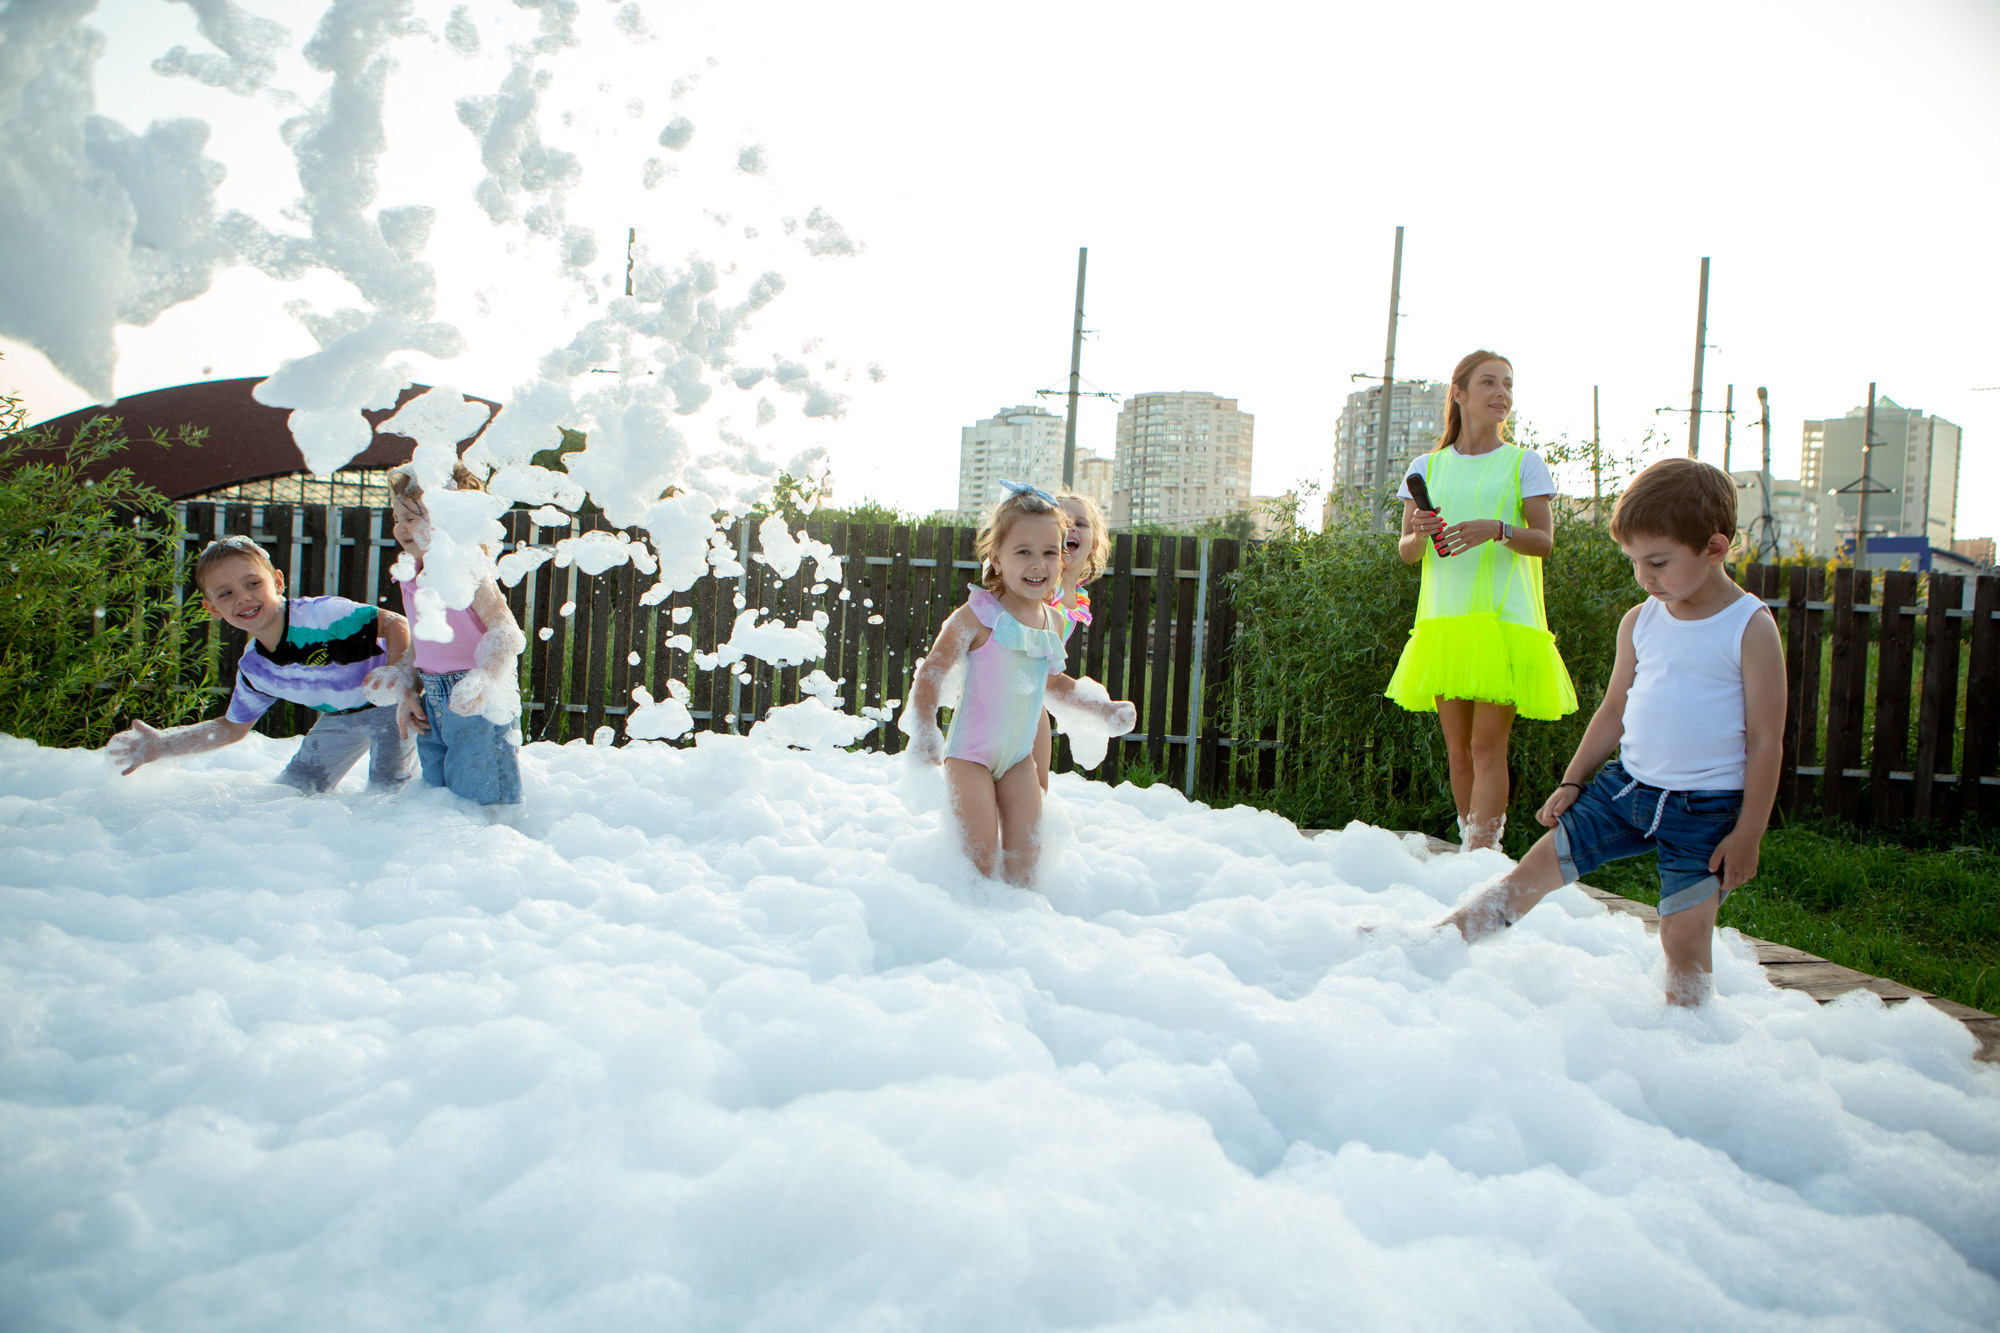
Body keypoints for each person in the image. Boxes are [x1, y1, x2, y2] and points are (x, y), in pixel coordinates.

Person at [1438, 458, 1786, 1006]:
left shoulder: (1749, 626)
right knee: (1531, 873)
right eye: (1633, 562)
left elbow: (1767, 739)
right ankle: (1433, 951)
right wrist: (1574, 782)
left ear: (1715, 549)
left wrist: (1748, 835)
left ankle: (1691, 1039)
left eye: (1658, 561)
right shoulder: (1641, 619)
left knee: (1683, 936)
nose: (1644, 577)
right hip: (1624, 791)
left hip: (1706, 810)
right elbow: (1614, 709)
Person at [1385, 350, 1577, 850]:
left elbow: (1543, 542)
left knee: (1487, 747)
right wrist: (1421, 535)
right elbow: (1407, 552)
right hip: (1444, 624)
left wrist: (1497, 529)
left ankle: (1483, 859)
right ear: (1459, 393)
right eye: (1489, 382)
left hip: (1502, 622)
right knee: (1458, 754)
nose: (1502, 393)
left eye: (1508, 385)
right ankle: (1471, 850)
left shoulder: (1523, 463)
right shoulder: (1425, 467)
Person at [904, 482, 1134, 885]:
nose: (1038, 563)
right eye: (1023, 551)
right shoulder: (977, 615)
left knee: (1026, 861)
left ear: (1063, 560)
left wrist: (1103, 710)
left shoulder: (1054, 621)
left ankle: (1019, 931)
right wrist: (924, 730)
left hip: (1017, 760)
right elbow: (932, 671)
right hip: (970, 756)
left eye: (1049, 552)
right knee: (979, 859)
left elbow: (1055, 684)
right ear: (996, 558)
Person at [108, 535, 415, 792]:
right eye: (226, 593)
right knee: (294, 789)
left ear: (278, 582)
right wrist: (163, 745)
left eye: (252, 583)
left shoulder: (322, 616)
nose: (242, 597)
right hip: (340, 717)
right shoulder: (257, 669)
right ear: (212, 608)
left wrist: (399, 675)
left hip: (392, 705)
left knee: (386, 793)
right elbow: (231, 728)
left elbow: (396, 624)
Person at [365, 467, 527, 806]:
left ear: (449, 520)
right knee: (440, 801)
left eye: (412, 517)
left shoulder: (469, 571)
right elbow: (420, 646)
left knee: (483, 803)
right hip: (431, 701)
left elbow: (508, 634)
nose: (400, 528)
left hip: (479, 703)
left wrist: (484, 680)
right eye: (397, 518)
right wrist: (406, 690)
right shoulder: (412, 579)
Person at [1032, 488, 1121, 788]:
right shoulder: (1040, 583)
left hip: (1035, 696)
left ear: (1093, 543)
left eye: (1080, 523)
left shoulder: (1077, 598)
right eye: (1062, 521)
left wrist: (1100, 709)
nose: (1071, 527)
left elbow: (1050, 672)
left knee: (1037, 783)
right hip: (1003, 689)